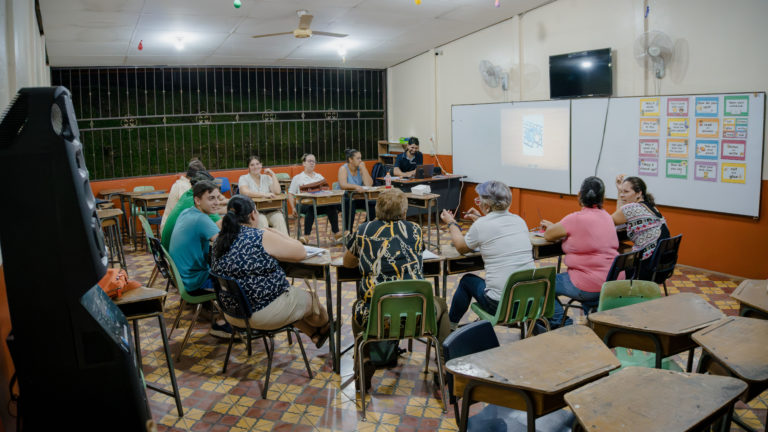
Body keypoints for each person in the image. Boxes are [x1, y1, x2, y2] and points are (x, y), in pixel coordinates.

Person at [343, 188, 450, 390]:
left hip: (376, 318)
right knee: (442, 305)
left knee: (357, 306)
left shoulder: (364, 230)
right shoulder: (415, 230)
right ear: (403, 213)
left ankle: (364, 360)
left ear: (377, 210)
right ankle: (443, 364)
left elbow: (347, 263)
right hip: (419, 317)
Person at [211, 195, 330, 347]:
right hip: (263, 314)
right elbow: (300, 252)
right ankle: (326, 327)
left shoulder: (218, 241)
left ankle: (314, 334)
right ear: (254, 215)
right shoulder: (259, 236)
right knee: (311, 299)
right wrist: (276, 233)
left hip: (233, 314)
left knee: (288, 301)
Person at [440, 180, 534, 329]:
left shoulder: (482, 225)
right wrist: (482, 218)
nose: (478, 204)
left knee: (466, 281)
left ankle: (450, 327)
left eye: (479, 200)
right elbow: (497, 228)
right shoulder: (519, 221)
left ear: (487, 205)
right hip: (530, 301)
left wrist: (451, 223)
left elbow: (461, 247)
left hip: (501, 304)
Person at [540, 176, 619, 327]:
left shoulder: (574, 219)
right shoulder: (607, 217)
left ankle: (561, 323)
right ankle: (593, 318)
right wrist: (556, 226)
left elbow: (549, 235)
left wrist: (552, 227)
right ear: (603, 197)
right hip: (611, 281)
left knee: (544, 284)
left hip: (587, 283)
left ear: (579, 195)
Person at [168, 180, 230, 337]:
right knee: (235, 282)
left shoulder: (188, 212)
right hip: (194, 281)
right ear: (197, 200)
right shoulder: (201, 219)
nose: (216, 203)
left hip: (182, 277)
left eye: (218, 198)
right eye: (211, 199)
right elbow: (225, 245)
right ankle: (224, 324)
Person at [612, 174, 670, 280]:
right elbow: (620, 218)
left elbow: (608, 222)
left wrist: (619, 193)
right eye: (621, 192)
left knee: (611, 268)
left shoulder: (632, 208)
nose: (621, 195)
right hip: (662, 268)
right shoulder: (650, 206)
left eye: (626, 192)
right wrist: (620, 191)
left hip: (644, 270)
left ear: (639, 193)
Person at [287, 153, 342, 244]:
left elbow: (326, 190)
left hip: (319, 205)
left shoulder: (319, 177)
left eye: (314, 161)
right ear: (304, 163)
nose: (312, 163)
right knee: (311, 208)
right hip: (303, 205)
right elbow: (290, 193)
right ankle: (306, 236)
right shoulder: (298, 178)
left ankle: (336, 233)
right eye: (309, 161)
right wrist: (293, 208)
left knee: (331, 207)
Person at [161, 171, 222, 251]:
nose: (217, 202)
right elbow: (220, 229)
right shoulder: (200, 211)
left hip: (170, 253)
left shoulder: (187, 196)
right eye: (211, 197)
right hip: (180, 257)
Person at [237, 155, 288, 235]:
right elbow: (245, 192)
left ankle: (285, 246)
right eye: (252, 165)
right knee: (262, 221)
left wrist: (273, 174)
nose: (255, 167)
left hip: (270, 209)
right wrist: (264, 194)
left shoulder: (266, 178)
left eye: (257, 164)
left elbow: (277, 191)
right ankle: (265, 246)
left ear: (261, 165)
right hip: (254, 212)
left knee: (279, 218)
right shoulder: (244, 178)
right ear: (249, 167)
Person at [161, 159, 205, 232]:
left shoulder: (182, 184)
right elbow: (194, 210)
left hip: (173, 228)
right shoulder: (184, 187)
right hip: (171, 231)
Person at [337, 148, 375, 232]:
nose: (360, 160)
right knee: (350, 203)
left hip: (357, 197)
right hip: (343, 199)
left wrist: (364, 169)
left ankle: (364, 227)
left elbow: (369, 184)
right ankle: (348, 231)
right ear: (350, 160)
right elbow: (343, 185)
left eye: (361, 158)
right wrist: (355, 187)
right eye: (358, 158)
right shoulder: (343, 169)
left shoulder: (360, 168)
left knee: (373, 204)